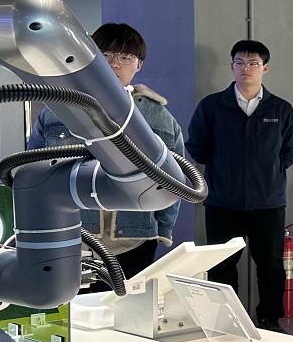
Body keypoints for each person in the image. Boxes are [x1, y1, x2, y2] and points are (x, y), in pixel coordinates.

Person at [27, 22, 183, 285]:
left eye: (125, 57)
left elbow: (174, 181)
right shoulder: (58, 110)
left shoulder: (159, 118)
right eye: (106, 55)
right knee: (70, 308)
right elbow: (31, 171)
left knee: (127, 308)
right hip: (71, 235)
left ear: (139, 65)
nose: (114, 64)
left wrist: (162, 230)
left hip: (134, 240)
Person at [185, 40, 293, 332]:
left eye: (253, 63)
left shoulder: (280, 109)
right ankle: (226, 319)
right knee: (221, 264)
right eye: (239, 63)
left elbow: (290, 150)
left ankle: (269, 320)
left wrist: (267, 172)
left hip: (268, 202)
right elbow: (197, 147)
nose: (245, 68)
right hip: (223, 201)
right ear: (232, 66)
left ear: (265, 68)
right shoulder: (212, 106)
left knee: (271, 265)